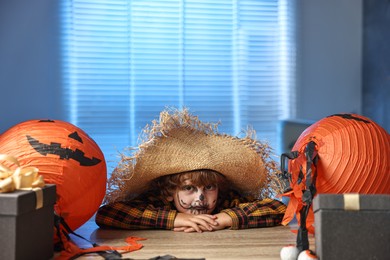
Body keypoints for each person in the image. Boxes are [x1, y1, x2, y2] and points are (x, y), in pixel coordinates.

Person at [95, 108, 286, 232]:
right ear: (170, 193)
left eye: (209, 187)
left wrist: (225, 218)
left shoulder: (226, 201)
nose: (201, 198)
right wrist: (175, 219)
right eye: (189, 188)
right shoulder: (157, 203)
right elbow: (108, 214)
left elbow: (278, 209)